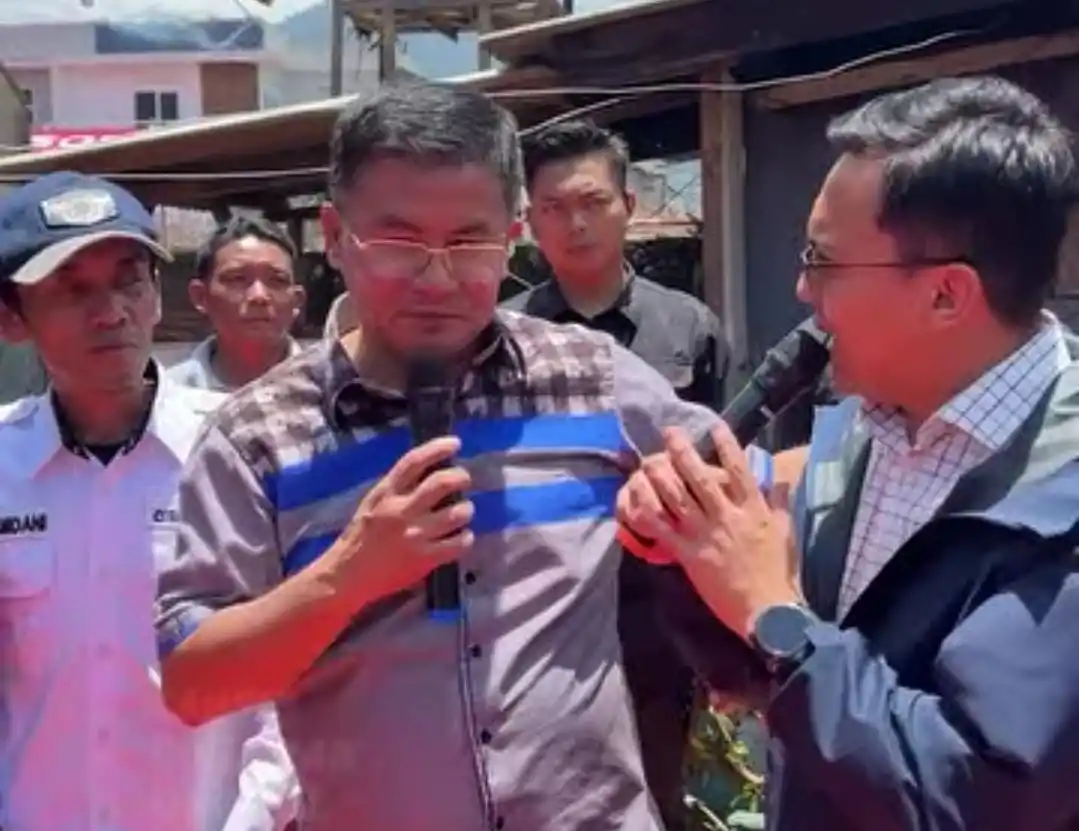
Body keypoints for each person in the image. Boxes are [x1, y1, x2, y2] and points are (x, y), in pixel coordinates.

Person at [152, 80, 775, 831]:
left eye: (469, 242)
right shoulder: (260, 434)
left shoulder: (590, 379)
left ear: (512, 236)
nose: (437, 277)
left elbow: (750, 494)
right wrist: (348, 576)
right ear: (336, 235)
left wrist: (682, 517)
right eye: (398, 242)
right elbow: (193, 685)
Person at [618, 76, 1079, 831]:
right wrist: (690, 554)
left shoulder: (1061, 497)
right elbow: (766, 683)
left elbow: (964, 796)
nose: (802, 290)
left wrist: (773, 611)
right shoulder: (863, 432)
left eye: (822, 260)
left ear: (946, 295)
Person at [0, 171, 298, 830]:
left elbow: (291, 656)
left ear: (157, 297)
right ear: (12, 316)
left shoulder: (241, 446)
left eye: (129, 281)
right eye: (72, 289)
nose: (111, 312)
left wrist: (255, 811)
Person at [503, 119, 731, 828]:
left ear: (628, 206)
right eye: (553, 207)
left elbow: (726, 474)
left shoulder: (688, 327)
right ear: (527, 222)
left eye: (592, 202)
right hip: (537, 625)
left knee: (654, 798)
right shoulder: (499, 337)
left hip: (657, 625)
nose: (574, 224)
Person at [169, 215, 306, 392]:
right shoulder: (167, 395)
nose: (259, 296)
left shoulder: (333, 390)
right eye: (237, 279)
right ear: (200, 296)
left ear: (297, 301)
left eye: (277, 280)